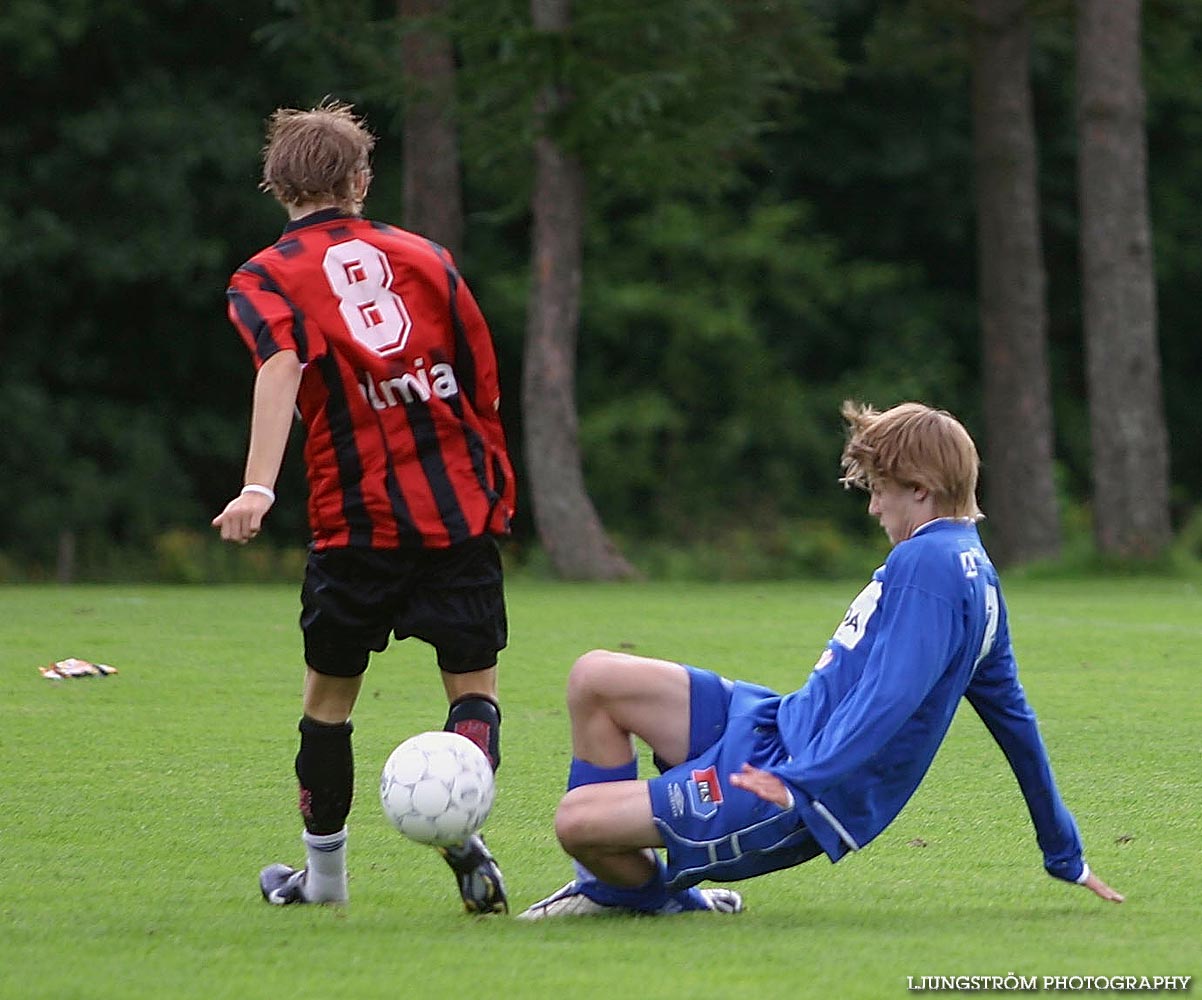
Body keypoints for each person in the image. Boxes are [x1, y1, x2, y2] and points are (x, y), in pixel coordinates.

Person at [518, 400, 1124, 919]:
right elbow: (1015, 721)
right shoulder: (977, 574)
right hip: (774, 723)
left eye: (881, 492)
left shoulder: (929, 565)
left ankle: (640, 896)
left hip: (795, 782)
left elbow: (891, 698)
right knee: (595, 677)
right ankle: (615, 886)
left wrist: (802, 780)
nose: (873, 508)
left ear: (920, 489)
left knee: (576, 819)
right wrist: (1064, 851)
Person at [213, 100, 516, 914]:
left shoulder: (265, 276)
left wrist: (258, 486)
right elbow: (481, 376)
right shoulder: (426, 257)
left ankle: (326, 882)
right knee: (474, 694)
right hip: (456, 511)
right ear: (360, 178)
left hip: (357, 521)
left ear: (278, 185)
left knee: (329, 703)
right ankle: (461, 838)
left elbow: (281, 365)